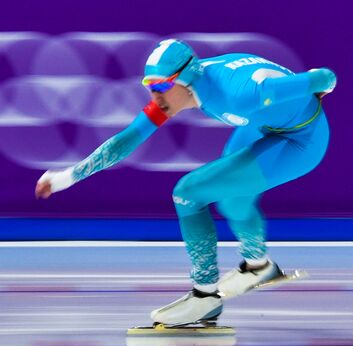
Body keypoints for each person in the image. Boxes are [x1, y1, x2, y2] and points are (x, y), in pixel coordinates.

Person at [35, 39, 336, 326]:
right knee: (233, 197)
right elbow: (127, 140)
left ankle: (205, 297)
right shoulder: (189, 86)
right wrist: (67, 177)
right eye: (151, 87)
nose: (156, 97)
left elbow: (323, 76)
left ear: (186, 77)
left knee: (188, 193)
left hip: (302, 140)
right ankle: (258, 266)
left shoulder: (243, 94)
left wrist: (323, 84)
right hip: (265, 126)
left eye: (162, 87)